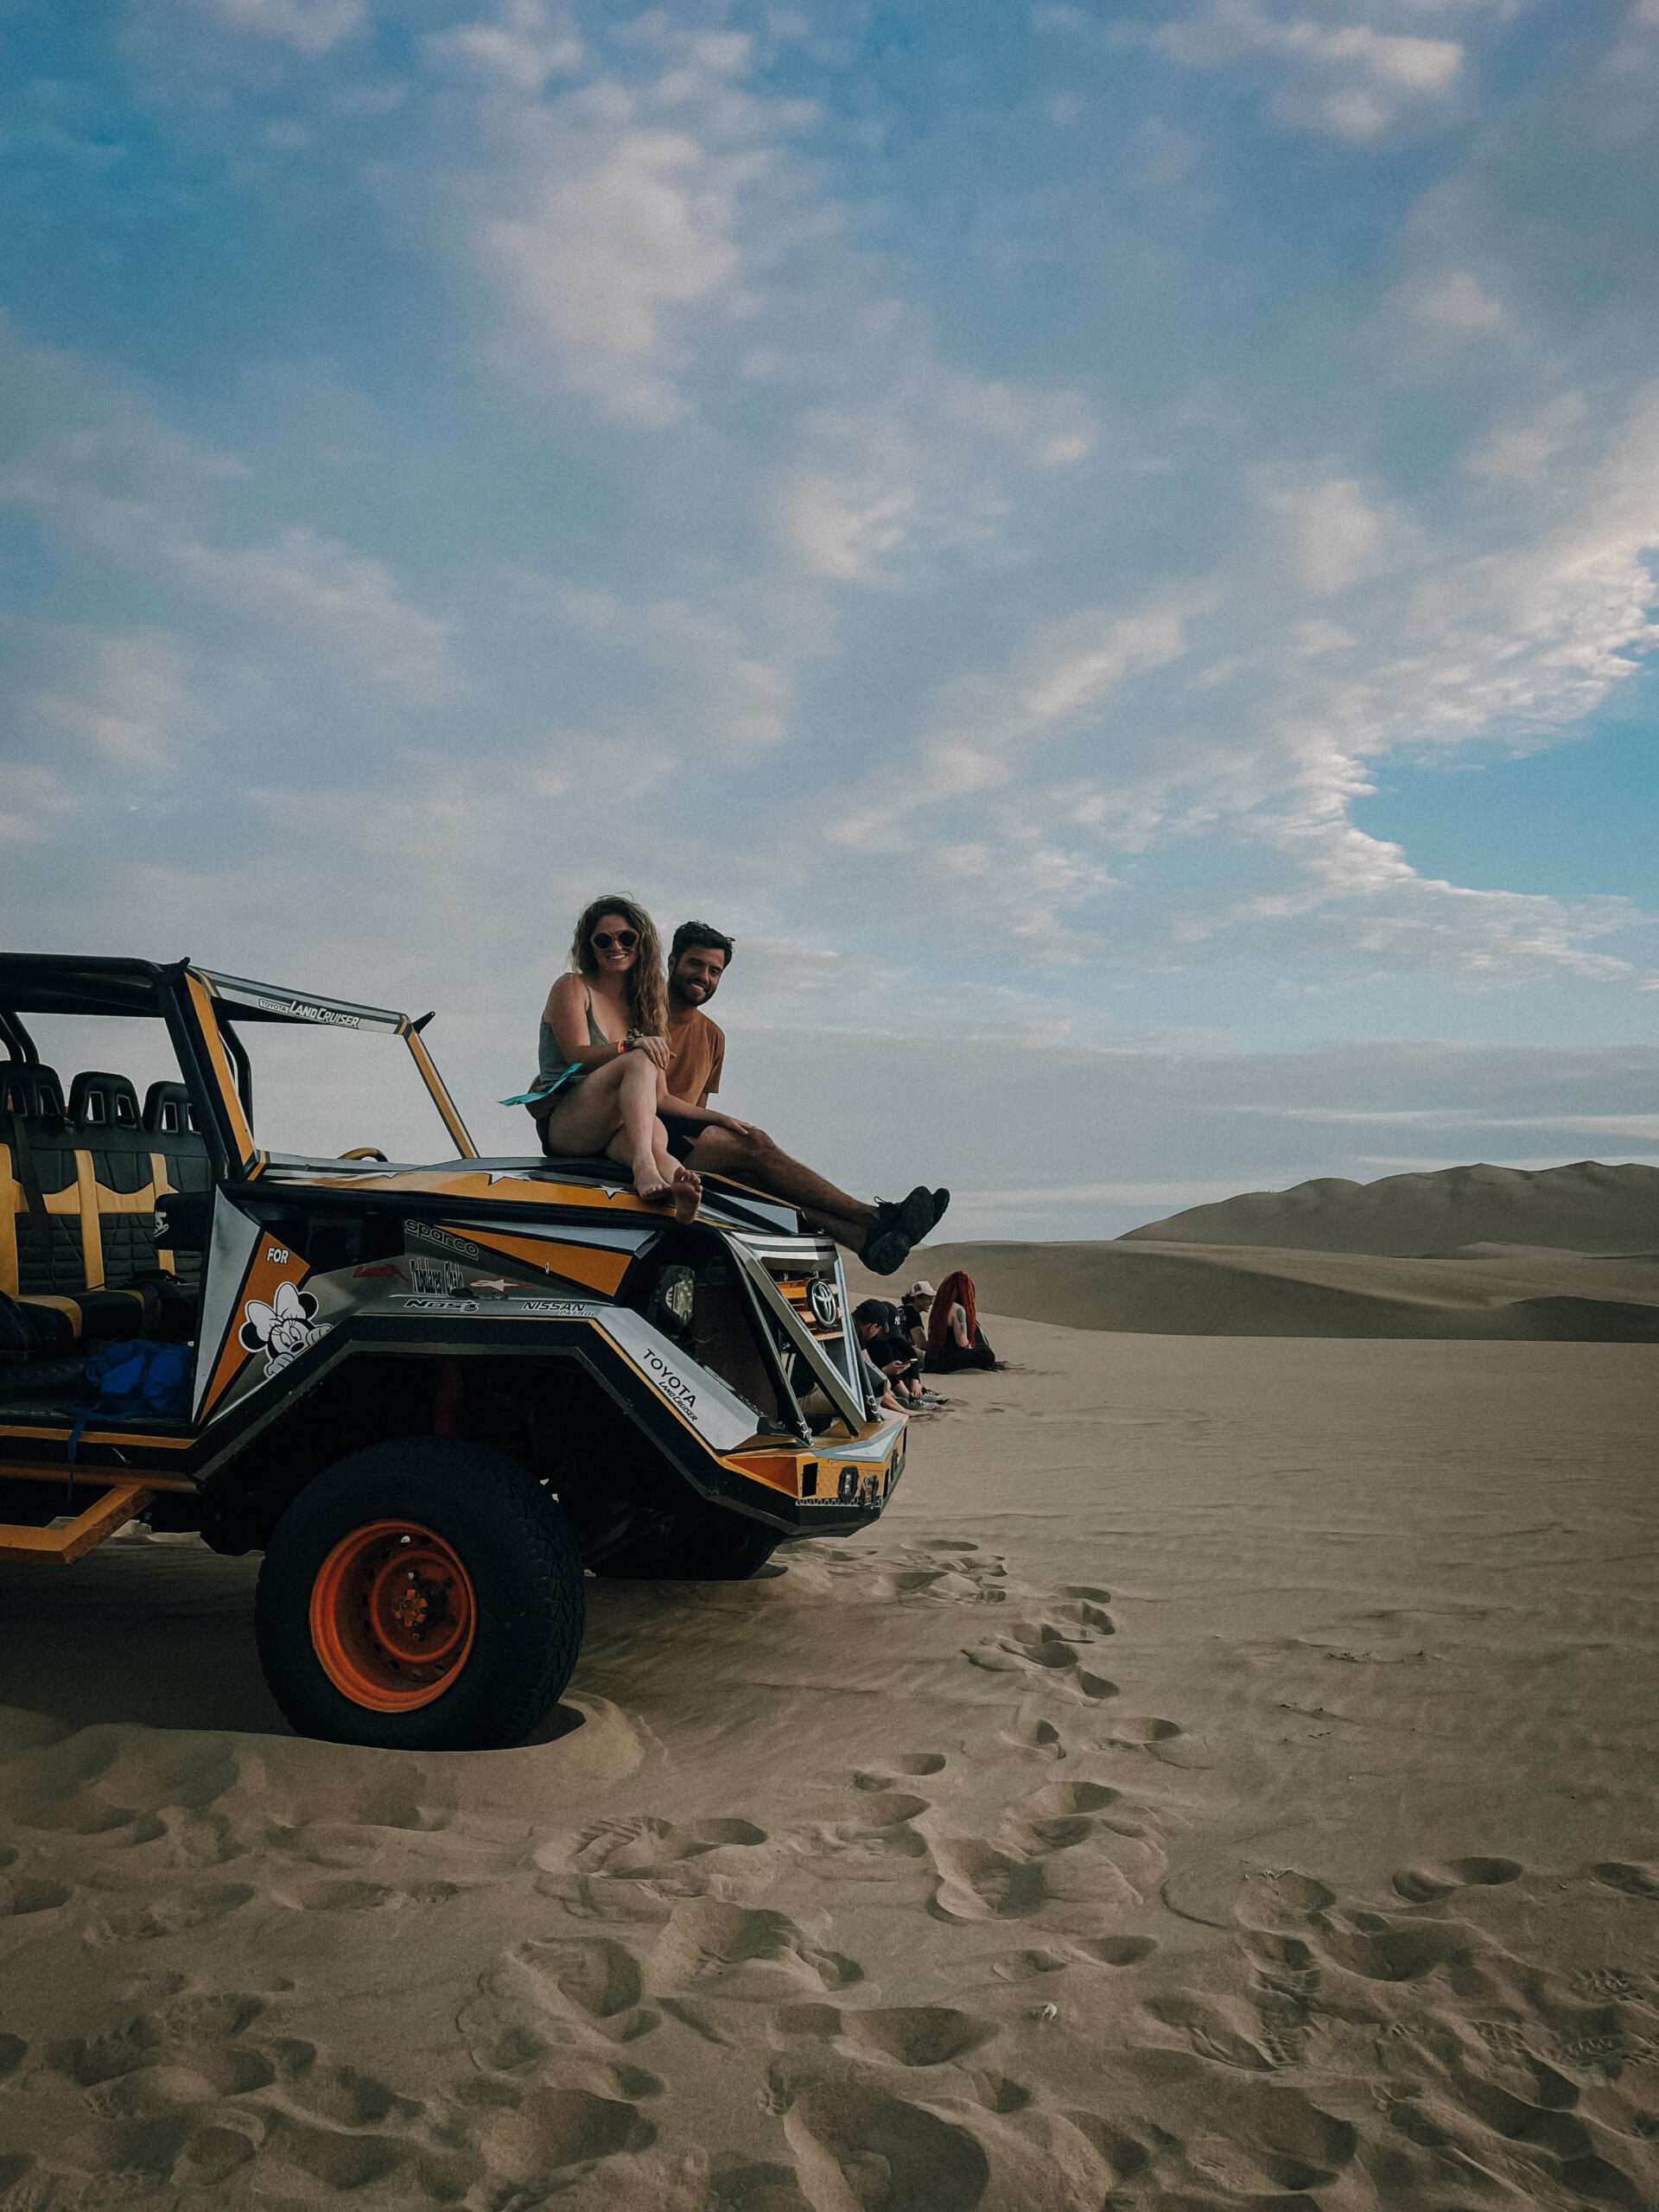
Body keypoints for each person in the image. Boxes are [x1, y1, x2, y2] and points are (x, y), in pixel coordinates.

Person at [658, 919, 949, 1277]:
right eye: (695, 964)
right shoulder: (642, 1009)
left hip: (685, 1143)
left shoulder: (713, 1036)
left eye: (714, 970)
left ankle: (864, 1241)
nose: (704, 976)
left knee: (765, 1183)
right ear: (672, 962)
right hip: (643, 1137)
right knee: (756, 1145)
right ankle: (871, 1217)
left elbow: (697, 1112)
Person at [508, 897, 718, 1218]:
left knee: (656, 1135)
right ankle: (644, 1170)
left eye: (626, 938)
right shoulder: (572, 986)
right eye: (603, 940)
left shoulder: (645, 1005)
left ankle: (682, 1194)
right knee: (641, 1059)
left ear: (641, 942)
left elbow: (660, 1096)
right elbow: (577, 1055)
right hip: (568, 1123)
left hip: (616, 1127)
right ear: (590, 946)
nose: (615, 946)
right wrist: (628, 1046)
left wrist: (722, 1120)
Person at [852, 1298, 925, 1410]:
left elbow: (868, 1369)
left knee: (884, 1383)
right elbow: (862, 1375)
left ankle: (906, 1395)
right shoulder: (854, 1334)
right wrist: (885, 1371)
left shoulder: (855, 1329)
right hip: (834, 1390)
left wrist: (914, 1379)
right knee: (884, 1385)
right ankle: (901, 1398)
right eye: (880, 1329)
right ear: (873, 1327)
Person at [925, 1269, 996, 1374]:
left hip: (932, 1358)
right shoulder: (958, 1309)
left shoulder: (940, 1307)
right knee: (986, 1353)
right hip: (947, 1360)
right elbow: (962, 1342)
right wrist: (971, 1348)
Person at [899, 1281, 934, 1351]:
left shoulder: (902, 1309)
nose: (931, 1302)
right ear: (917, 1298)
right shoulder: (913, 1314)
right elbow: (922, 1345)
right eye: (929, 1299)